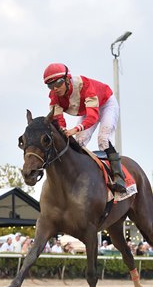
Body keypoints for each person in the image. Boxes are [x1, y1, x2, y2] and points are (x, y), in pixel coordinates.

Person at [43, 63, 126, 193]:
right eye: (50, 86)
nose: (55, 89)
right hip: (86, 111)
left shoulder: (84, 85)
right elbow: (59, 120)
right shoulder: (54, 97)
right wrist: (64, 130)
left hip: (106, 104)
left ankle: (119, 178)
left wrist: (75, 129)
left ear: (67, 79)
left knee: (103, 139)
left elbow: (93, 116)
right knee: (79, 141)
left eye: (58, 83)